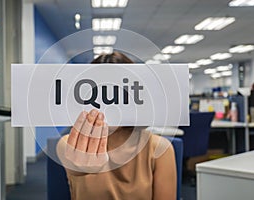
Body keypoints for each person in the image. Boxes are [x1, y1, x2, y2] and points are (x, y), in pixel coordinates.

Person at [57, 52, 177, 200]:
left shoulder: (159, 149)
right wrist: (81, 167)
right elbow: (71, 161)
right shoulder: (70, 145)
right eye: (100, 93)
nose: (109, 104)